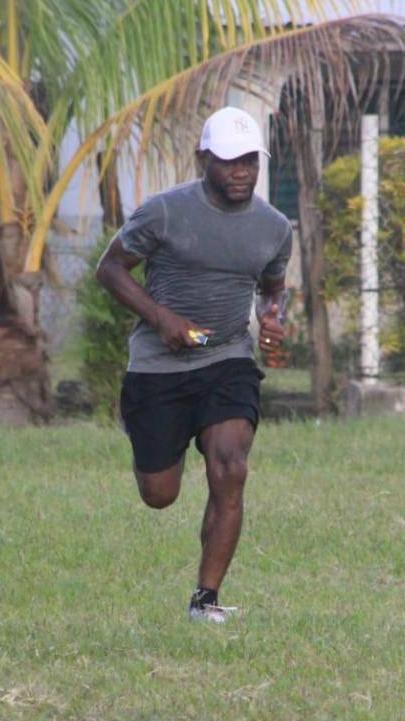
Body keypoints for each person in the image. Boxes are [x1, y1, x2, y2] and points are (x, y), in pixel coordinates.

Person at [96, 106, 292, 623]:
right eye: (229, 161)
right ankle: (161, 449)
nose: (241, 172)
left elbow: (273, 290)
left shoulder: (273, 227)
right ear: (203, 158)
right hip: (159, 367)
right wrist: (161, 318)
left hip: (227, 357)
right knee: (159, 495)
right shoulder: (163, 212)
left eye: (250, 161)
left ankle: (205, 600)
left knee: (230, 465)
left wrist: (272, 317)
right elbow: (110, 268)